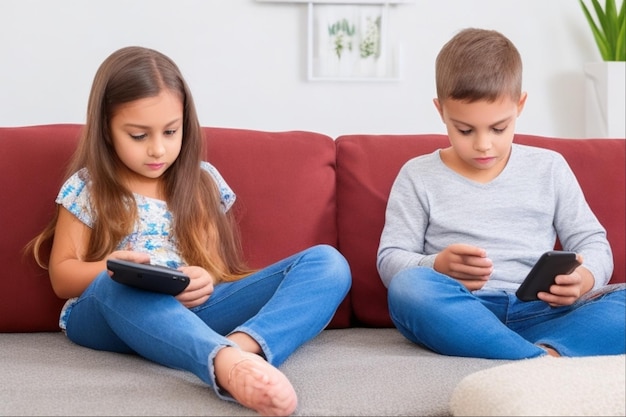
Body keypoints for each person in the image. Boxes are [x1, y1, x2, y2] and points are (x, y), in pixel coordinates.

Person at [27, 46, 352, 416]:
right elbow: (62, 278)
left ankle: (243, 350)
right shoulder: (87, 187)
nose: (157, 149)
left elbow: (211, 265)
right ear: (106, 129)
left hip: (192, 312)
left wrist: (201, 277)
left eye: (170, 131)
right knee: (115, 284)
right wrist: (112, 267)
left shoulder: (201, 182)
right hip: (108, 314)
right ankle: (220, 362)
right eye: (138, 135)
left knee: (329, 263)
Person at [376, 28, 625, 360]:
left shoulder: (549, 167)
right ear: (441, 112)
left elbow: (592, 241)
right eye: (464, 130)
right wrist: (435, 264)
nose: (483, 144)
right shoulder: (417, 174)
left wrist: (583, 278)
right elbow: (390, 259)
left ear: (520, 105)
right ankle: (535, 360)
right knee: (409, 288)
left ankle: (535, 355)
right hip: (466, 311)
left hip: (543, 311)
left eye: (498, 128)